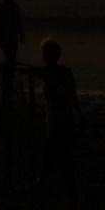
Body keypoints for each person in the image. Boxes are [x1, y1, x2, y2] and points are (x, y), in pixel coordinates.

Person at [31, 39, 84, 192]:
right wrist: (79, 115)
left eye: (43, 52)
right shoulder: (65, 71)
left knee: (56, 151)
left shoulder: (48, 72)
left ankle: (46, 181)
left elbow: (29, 70)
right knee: (59, 151)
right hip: (65, 117)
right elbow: (73, 96)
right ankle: (53, 182)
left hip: (57, 119)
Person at [0, 0, 25, 66]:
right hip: (6, 38)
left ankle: (8, 74)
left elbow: (18, 23)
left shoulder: (12, 8)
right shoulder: (2, 8)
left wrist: (22, 35)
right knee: (11, 58)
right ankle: (9, 74)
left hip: (10, 38)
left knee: (10, 58)